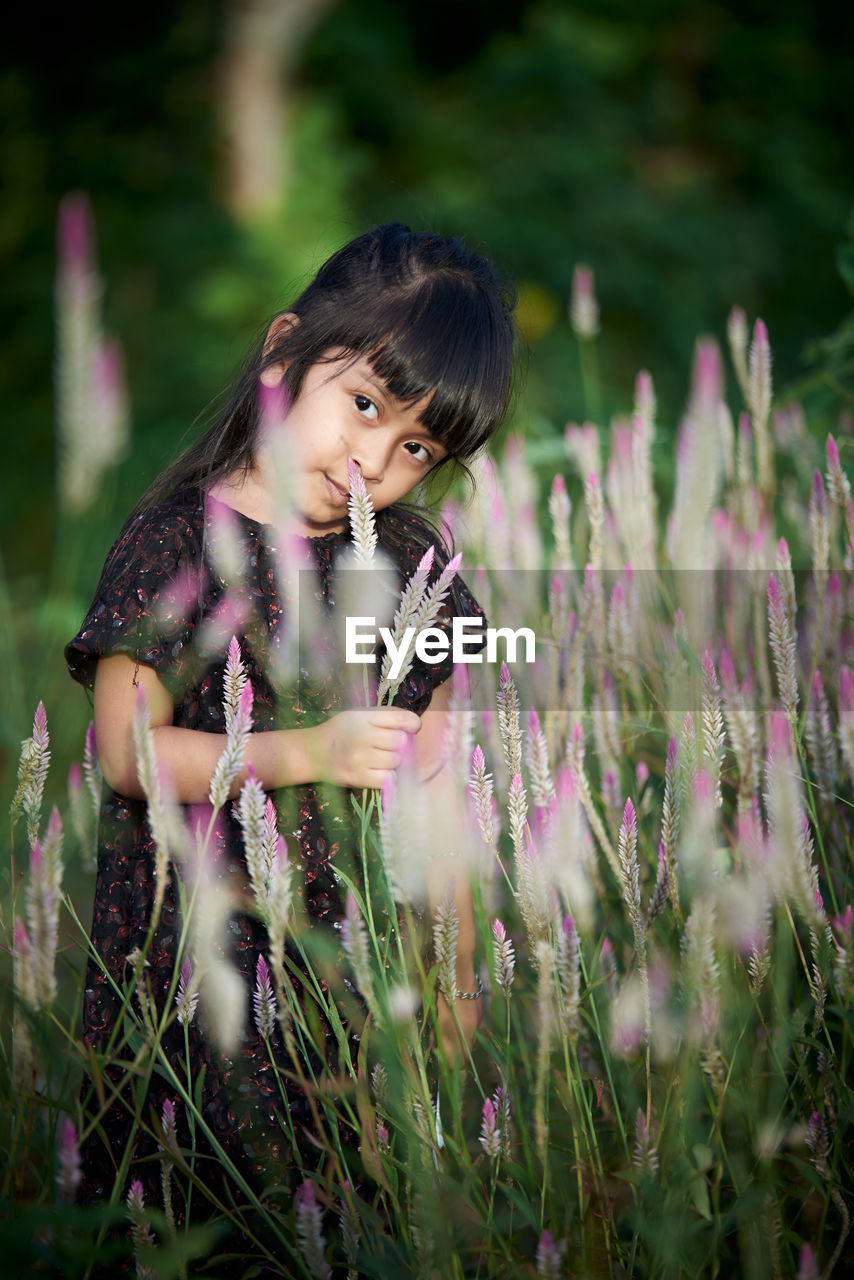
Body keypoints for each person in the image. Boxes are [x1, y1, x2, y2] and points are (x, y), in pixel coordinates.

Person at [65, 223, 516, 1236]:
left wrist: (451, 967)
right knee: (189, 1210)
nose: (373, 457)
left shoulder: (410, 562)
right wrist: (299, 753)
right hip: (187, 961)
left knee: (344, 1212)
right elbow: (128, 751)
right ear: (282, 355)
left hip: (347, 971)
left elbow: (439, 774)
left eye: (415, 447)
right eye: (362, 404)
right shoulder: (175, 542)